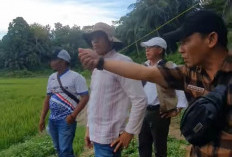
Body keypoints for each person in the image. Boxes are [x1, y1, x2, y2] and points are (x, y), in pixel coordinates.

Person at [79, 10, 232, 156]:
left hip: (159, 115)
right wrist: (99, 62)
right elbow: (145, 73)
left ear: (211, 39)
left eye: (186, 41)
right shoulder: (189, 74)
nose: (181, 49)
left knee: (159, 146)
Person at [82, 22, 147, 157]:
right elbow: (94, 101)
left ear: (110, 40)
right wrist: (89, 128)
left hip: (110, 138)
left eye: (99, 37)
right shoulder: (96, 66)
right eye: (92, 38)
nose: (94, 41)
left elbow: (140, 99)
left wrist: (129, 132)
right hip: (97, 135)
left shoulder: (123, 63)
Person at [138, 37, 187, 157]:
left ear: (160, 50)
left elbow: (180, 89)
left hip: (159, 112)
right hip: (143, 111)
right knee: (143, 144)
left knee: (160, 146)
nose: (147, 50)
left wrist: (178, 109)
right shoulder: (143, 66)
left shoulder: (169, 66)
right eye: (146, 48)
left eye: (150, 47)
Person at [39, 49, 89, 157]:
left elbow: (85, 97)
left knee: (65, 150)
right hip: (53, 120)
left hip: (66, 120)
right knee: (58, 148)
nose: (51, 62)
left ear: (63, 61)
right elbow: (47, 98)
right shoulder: (51, 77)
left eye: (53, 59)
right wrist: (42, 118)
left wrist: (73, 115)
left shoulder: (76, 77)